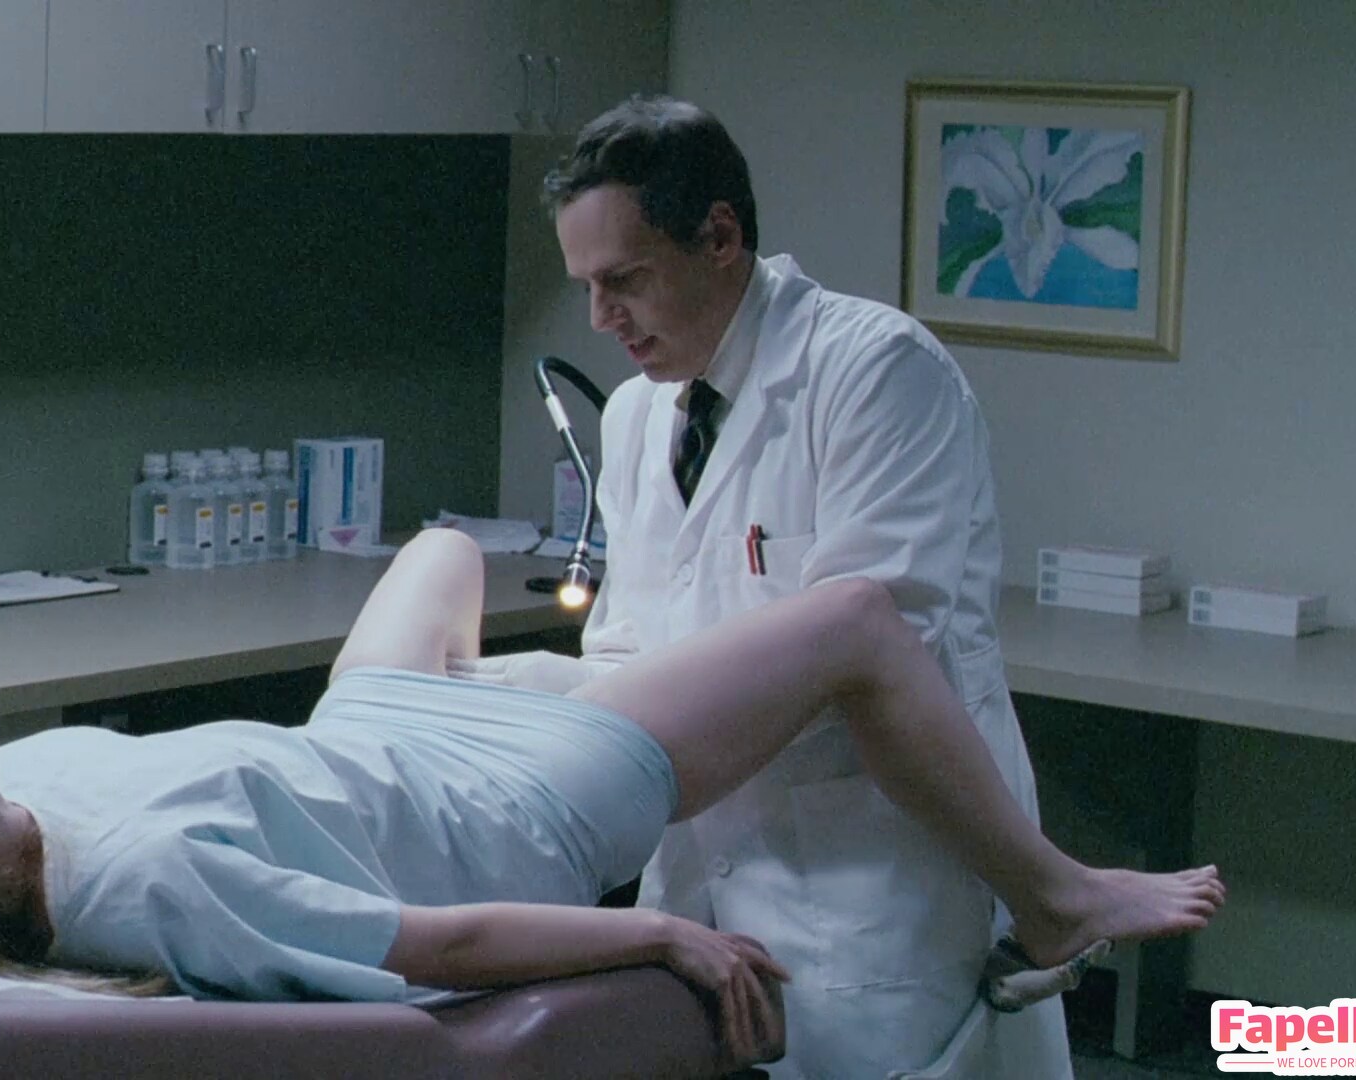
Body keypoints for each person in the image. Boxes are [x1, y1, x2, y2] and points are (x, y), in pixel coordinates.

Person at [0, 530, 1222, 1071]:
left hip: (372, 738)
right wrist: (657, 939)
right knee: (859, 622)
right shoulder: (145, 881)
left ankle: (577, 673)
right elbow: (437, 944)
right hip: (522, 798)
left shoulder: (18, 801)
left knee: (446, 552)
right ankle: (1056, 892)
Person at [449, 95, 1097, 1076]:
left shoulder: (874, 373)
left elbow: (866, 668)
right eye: (585, 286)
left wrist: (574, 705)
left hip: (871, 899)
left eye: (623, 280)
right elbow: (629, 649)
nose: (600, 317)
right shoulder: (636, 416)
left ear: (720, 237)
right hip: (707, 899)